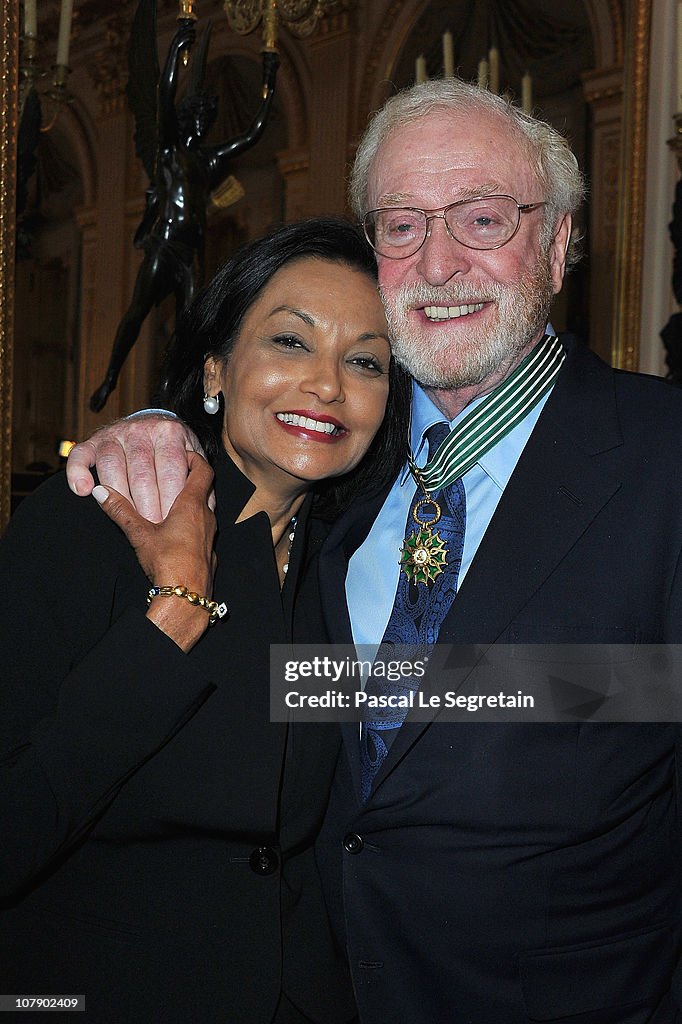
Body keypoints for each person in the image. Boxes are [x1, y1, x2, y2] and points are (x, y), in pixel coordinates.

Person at [67, 79, 682, 1022]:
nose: (438, 263)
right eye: (400, 226)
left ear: (559, 246)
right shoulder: (335, 456)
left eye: (482, 218)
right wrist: (160, 421)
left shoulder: (663, 455)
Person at [0, 218, 411, 1023]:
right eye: (291, 343)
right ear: (218, 365)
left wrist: (631, 688)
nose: (328, 384)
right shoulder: (91, 519)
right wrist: (178, 602)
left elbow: (462, 696)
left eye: (365, 360)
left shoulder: (352, 559)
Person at [89, 15, 279, 412]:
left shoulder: (208, 161)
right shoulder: (169, 152)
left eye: (206, 118)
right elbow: (162, 97)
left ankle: (174, 393)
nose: (202, 122)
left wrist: (268, 79)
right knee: (138, 312)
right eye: (197, 115)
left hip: (190, 254)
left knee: (190, 329)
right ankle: (110, 377)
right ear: (187, 117)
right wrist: (176, 51)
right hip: (163, 244)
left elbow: (253, 133)